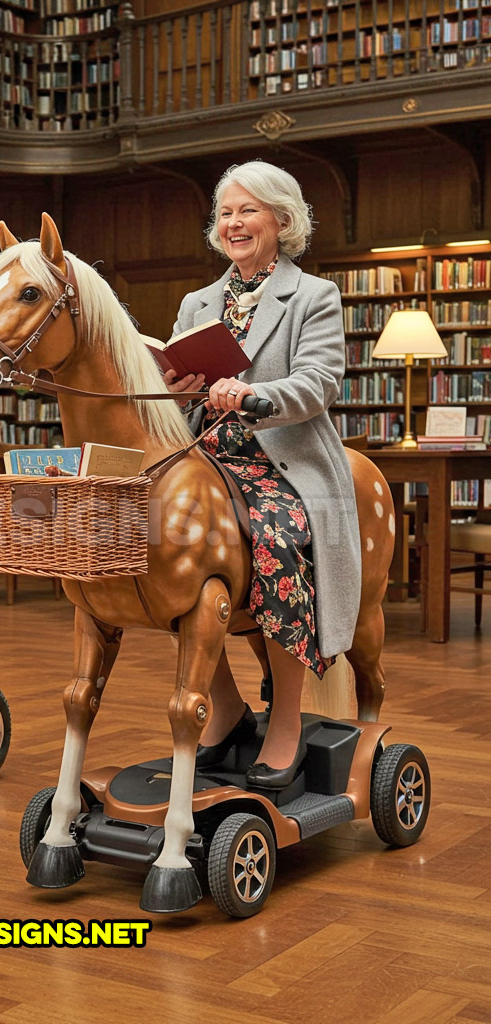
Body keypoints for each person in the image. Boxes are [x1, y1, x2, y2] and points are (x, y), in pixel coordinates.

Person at [163, 160, 360, 789]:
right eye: (225, 213)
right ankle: (224, 707)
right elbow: (177, 392)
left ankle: (287, 722)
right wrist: (176, 387)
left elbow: (322, 382)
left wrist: (252, 397)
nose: (234, 223)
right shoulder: (198, 301)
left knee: (276, 541)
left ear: (282, 218)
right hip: (203, 454)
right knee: (159, 547)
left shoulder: (314, 296)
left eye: (247, 210)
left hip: (280, 459)